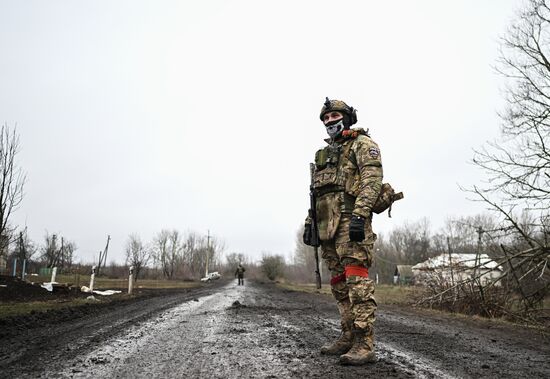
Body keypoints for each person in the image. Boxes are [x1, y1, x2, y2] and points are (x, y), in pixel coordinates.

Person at [304, 97, 382, 365]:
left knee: (357, 282)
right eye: (325, 118)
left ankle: (364, 343)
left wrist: (361, 215)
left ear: (347, 118)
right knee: (338, 284)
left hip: (351, 220)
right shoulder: (323, 156)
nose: (330, 121)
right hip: (327, 226)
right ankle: (348, 336)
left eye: (334, 116)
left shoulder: (363, 145)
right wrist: (309, 221)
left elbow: (372, 182)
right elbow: (316, 193)